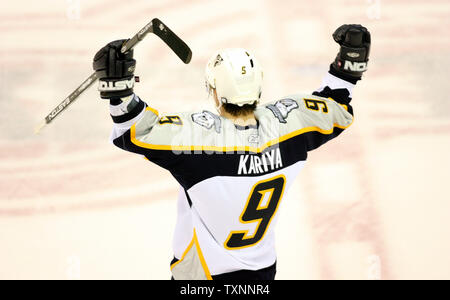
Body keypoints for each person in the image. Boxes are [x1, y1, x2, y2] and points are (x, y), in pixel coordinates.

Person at [92, 24, 371, 280]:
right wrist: (350, 62)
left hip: (201, 277)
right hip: (261, 274)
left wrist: (118, 87)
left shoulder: (197, 140)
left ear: (215, 91)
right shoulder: (291, 126)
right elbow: (335, 106)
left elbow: (134, 129)